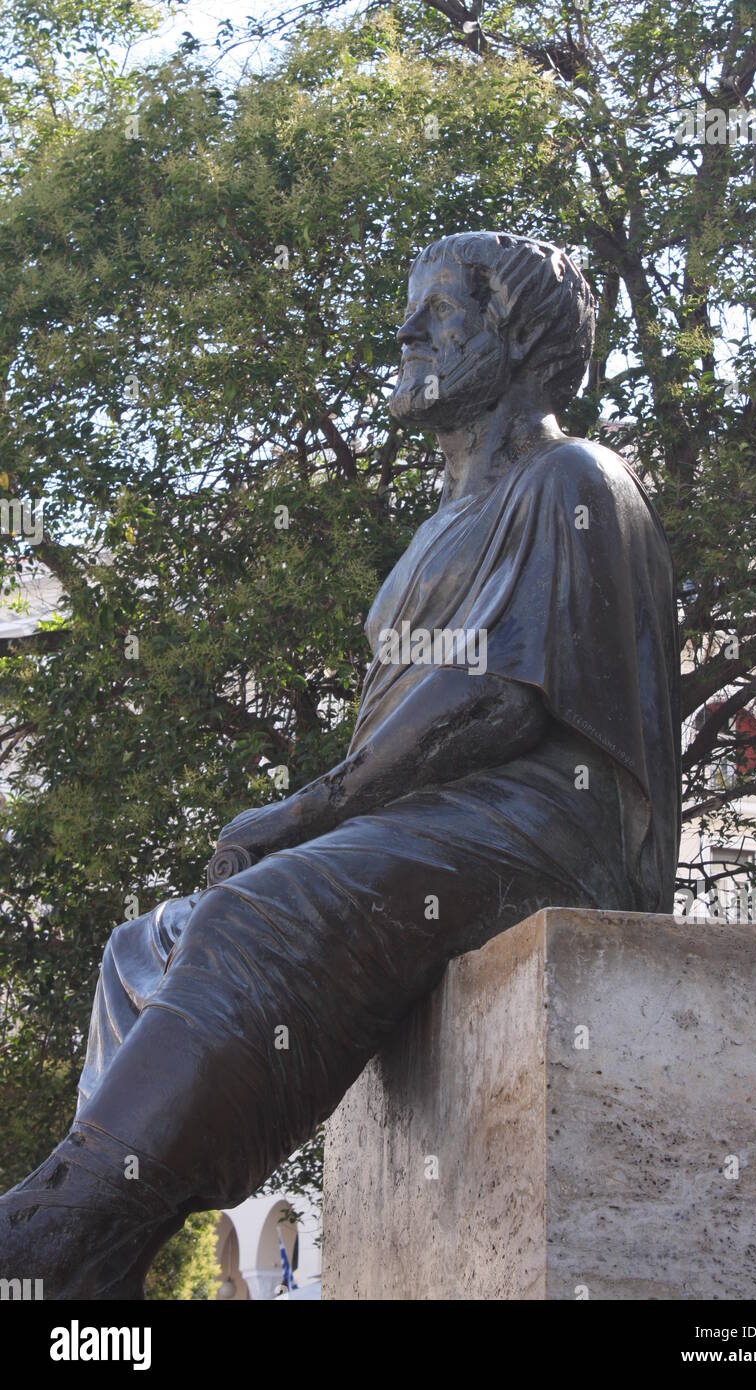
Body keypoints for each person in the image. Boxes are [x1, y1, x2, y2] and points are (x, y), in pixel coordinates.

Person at [0, 231, 681, 1298]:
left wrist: (304, 811)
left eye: (438, 312)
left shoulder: (572, 477)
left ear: (515, 336)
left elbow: (497, 699)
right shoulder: (434, 528)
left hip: (552, 823)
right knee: (149, 941)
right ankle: (96, 1232)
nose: (405, 334)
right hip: (449, 818)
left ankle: (56, 1229)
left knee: (257, 910)